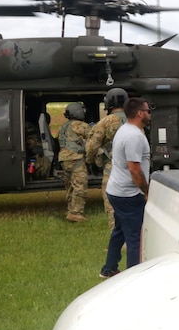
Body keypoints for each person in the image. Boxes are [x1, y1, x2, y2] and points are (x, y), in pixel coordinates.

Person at [99, 97, 151, 279]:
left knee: (119, 231)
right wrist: (147, 191)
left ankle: (109, 269)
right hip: (128, 194)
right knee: (134, 237)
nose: (149, 113)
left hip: (116, 190)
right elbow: (135, 170)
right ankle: (134, 278)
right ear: (139, 113)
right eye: (147, 110)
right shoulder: (134, 136)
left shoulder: (125, 130)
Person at [86, 88, 128, 232]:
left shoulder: (105, 122)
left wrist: (90, 161)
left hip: (113, 169)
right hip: (134, 168)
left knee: (112, 205)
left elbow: (92, 146)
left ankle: (119, 241)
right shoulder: (134, 120)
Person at [58, 102, 91, 222]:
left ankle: (70, 209)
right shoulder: (81, 125)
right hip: (75, 158)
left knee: (70, 185)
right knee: (80, 185)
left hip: (64, 159)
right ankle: (76, 213)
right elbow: (93, 137)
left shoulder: (63, 127)